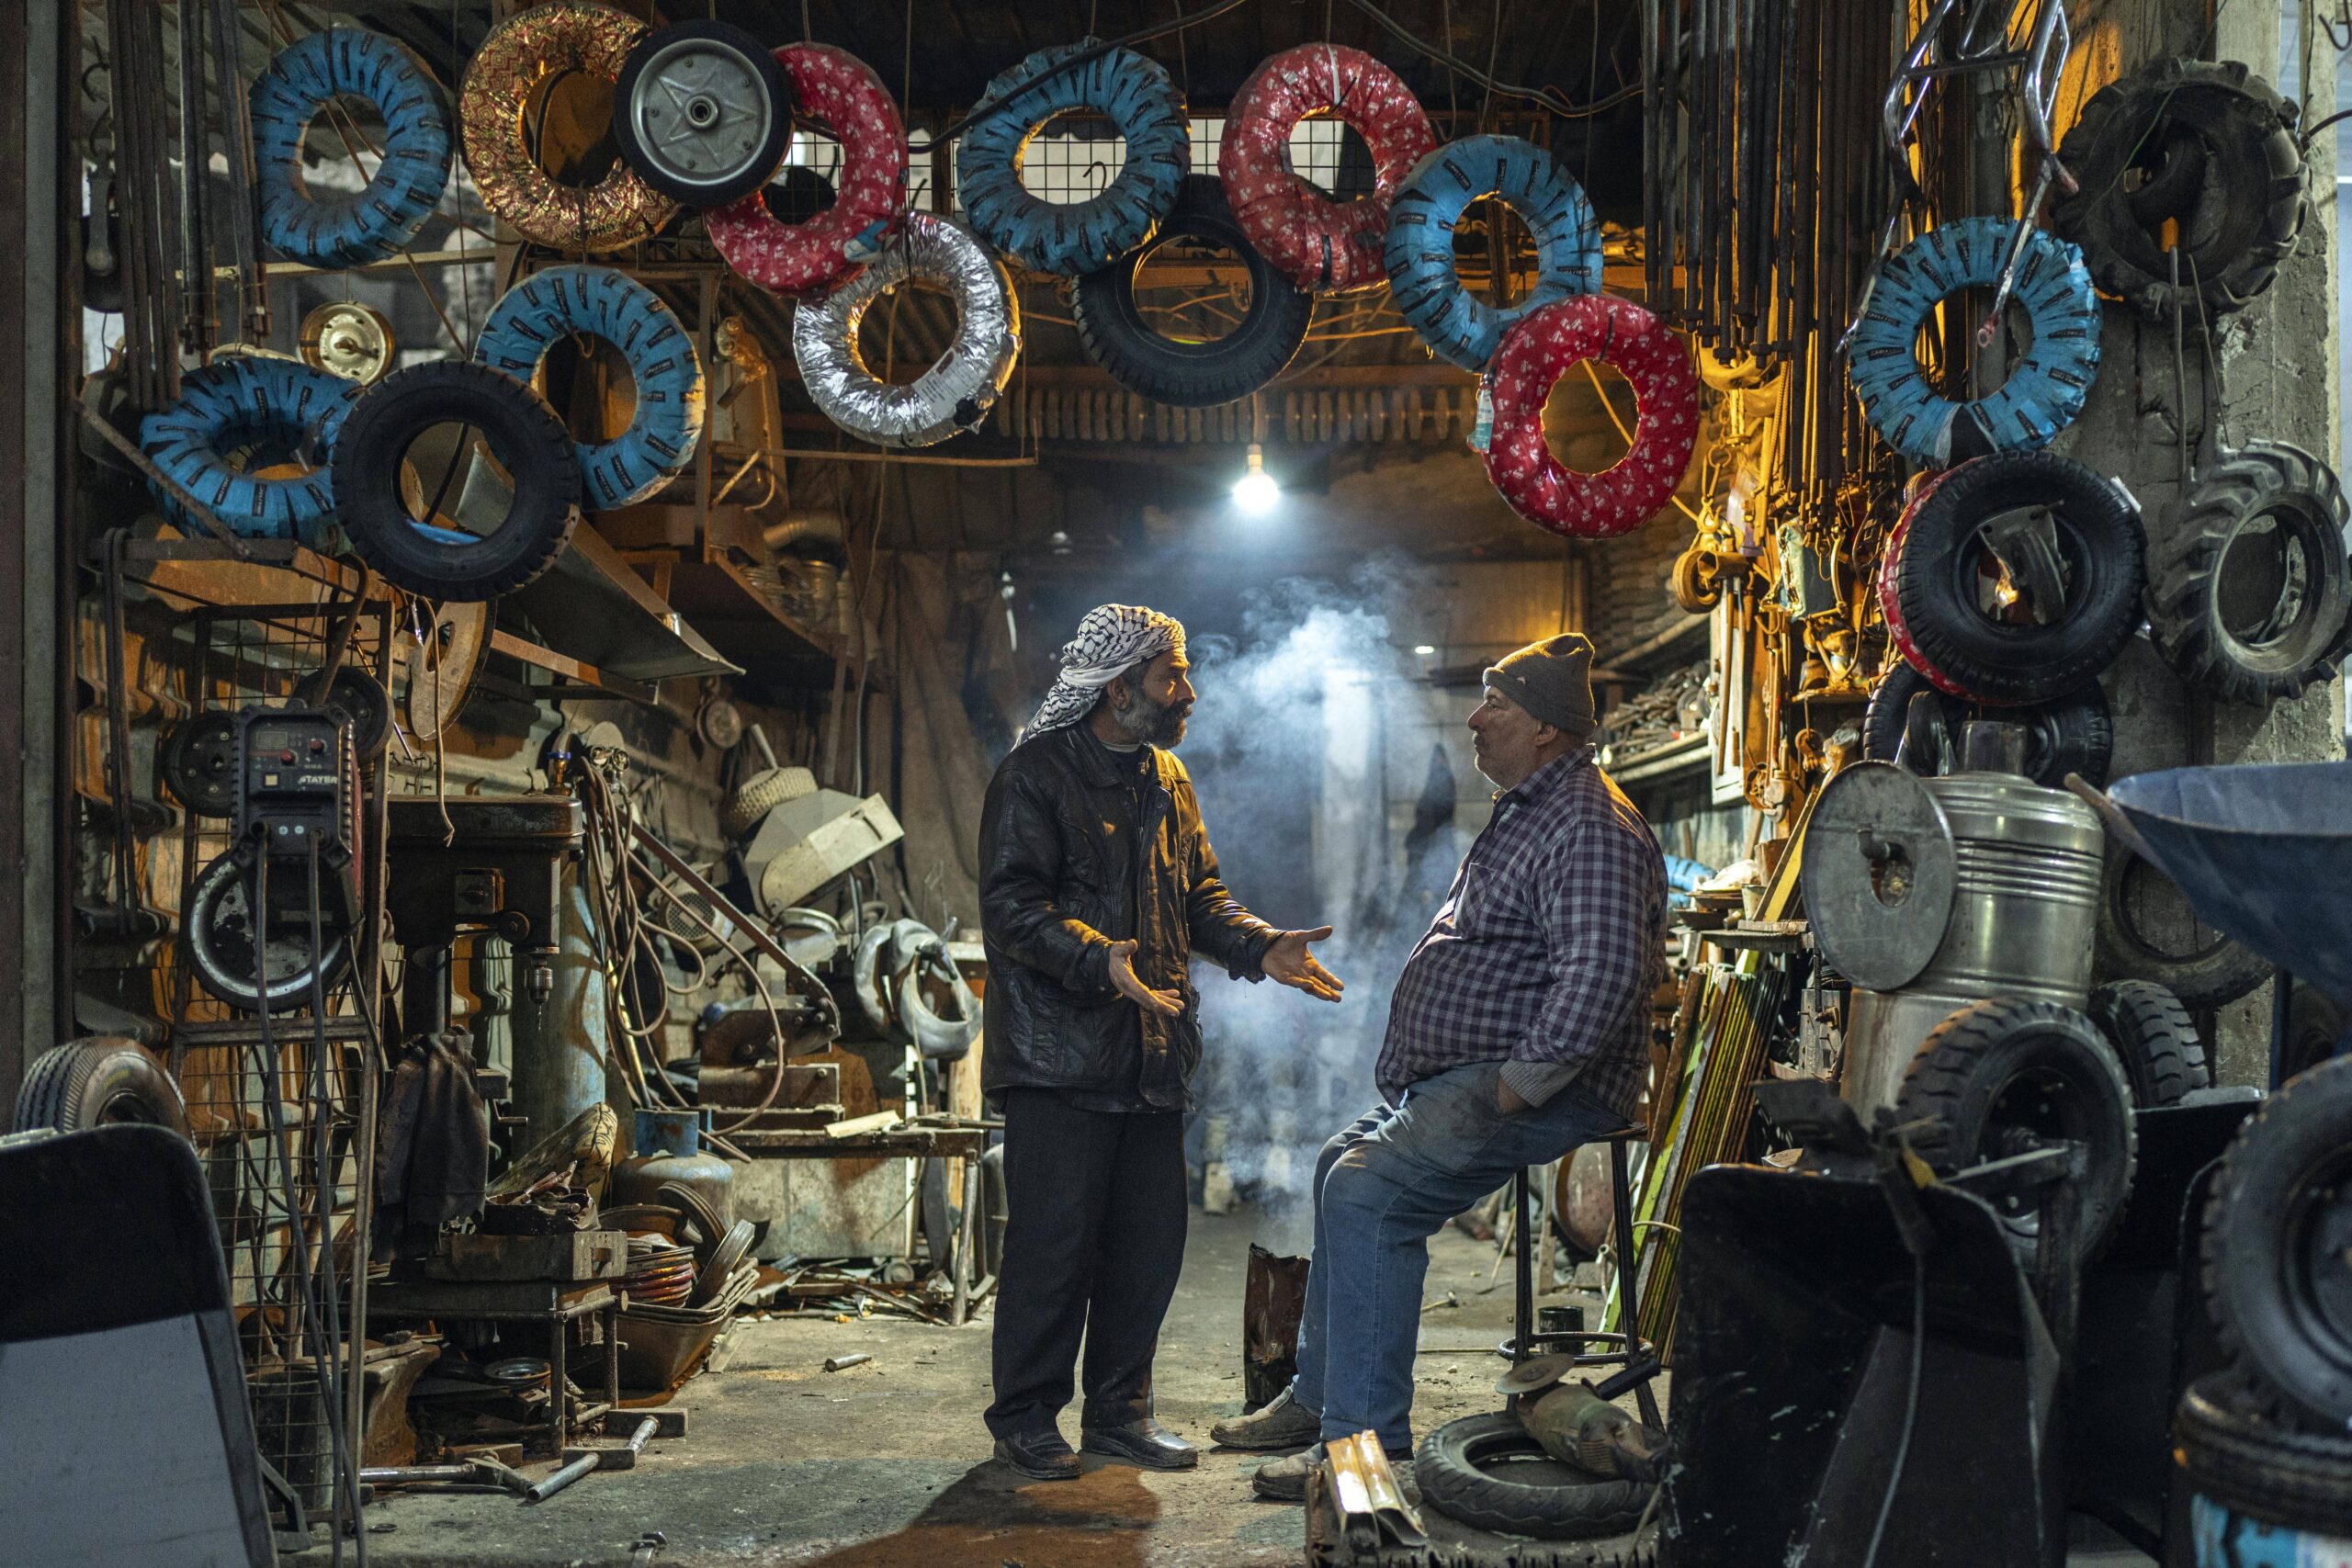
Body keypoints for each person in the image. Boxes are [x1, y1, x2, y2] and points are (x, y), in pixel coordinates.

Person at [1209, 632, 1668, 1499]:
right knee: (1334, 1164)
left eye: (1497, 702)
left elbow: (1601, 975)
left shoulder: (1590, 823)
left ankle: (1362, 1450)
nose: (1475, 715)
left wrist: (1510, 1086)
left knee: (1369, 1192)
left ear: (1544, 727)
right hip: (1482, 1075)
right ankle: (1318, 1398)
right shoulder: (1535, 808)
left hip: (1545, 1087)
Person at [978, 603, 1346, 1482]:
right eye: (1170, 675)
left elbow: (1199, 899)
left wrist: (1260, 945)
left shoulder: (1168, 779)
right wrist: (1099, 961)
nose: (1188, 691)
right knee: (1053, 1251)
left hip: (1151, 1057)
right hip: (1058, 1064)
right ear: (1118, 688)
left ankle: (1118, 1413)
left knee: (1147, 1250)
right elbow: (1011, 910)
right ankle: (1025, 1417)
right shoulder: (1033, 777)